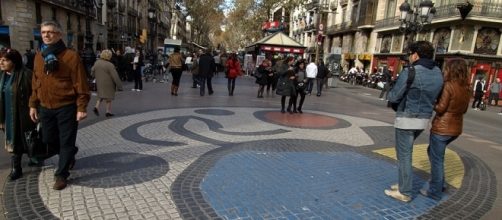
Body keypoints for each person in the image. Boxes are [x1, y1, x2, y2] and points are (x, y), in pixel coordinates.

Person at [29, 20, 90, 190]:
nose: (46, 35)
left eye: (51, 32)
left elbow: (81, 84)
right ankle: (69, 153)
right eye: (43, 32)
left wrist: (81, 107)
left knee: (66, 141)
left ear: (59, 35)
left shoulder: (71, 56)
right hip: (45, 107)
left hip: (66, 107)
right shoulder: (39, 56)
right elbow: (36, 82)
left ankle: (61, 174)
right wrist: (33, 104)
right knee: (48, 139)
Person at [384, 41, 443, 202]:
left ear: (415, 54)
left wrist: (391, 95)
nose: (409, 58)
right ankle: (404, 184)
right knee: (406, 153)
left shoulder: (411, 71)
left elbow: (395, 95)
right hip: (424, 119)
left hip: (406, 118)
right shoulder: (438, 72)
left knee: (404, 155)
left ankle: (405, 192)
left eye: (410, 55)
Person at [421, 58, 471, 201]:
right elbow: (465, 109)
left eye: (446, 68)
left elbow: (441, 108)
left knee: (437, 160)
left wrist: (432, 102)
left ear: (450, 69)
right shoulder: (466, 87)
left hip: (442, 128)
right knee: (433, 152)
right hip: (456, 129)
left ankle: (435, 191)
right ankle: (439, 183)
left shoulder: (448, 86)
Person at [0, 48, 38, 180]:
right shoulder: (2, 76)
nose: (1, 62)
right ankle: (17, 167)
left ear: (14, 61)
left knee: (27, 139)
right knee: (14, 140)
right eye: (1, 59)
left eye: (5, 60)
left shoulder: (26, 74)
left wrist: (34, 108)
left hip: (24, 114)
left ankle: (28, 160)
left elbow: (35, 93)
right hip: (8, 115)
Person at [91, 49, 123, 117]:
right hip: (108, 83)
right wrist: (120, 86)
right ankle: (108, 111)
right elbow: (115, 76)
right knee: (109, 97)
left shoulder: (97, 62)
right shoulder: (110, 65)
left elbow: (92, 72)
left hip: (99, 82)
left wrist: (95, 76)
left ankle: (96, 107)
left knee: (101, 95)